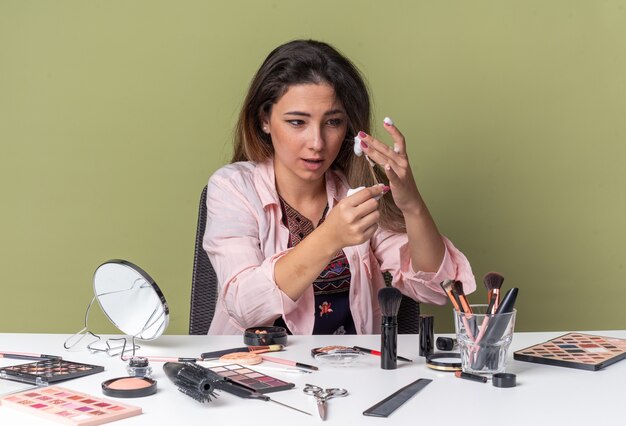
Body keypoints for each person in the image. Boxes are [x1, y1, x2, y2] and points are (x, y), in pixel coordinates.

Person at [203, 39, 475, 335]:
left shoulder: (356, 189)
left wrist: (412, 205)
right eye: (297, 122)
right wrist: (331, 236)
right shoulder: (233, 187)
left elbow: (436, 289)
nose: (317, 143)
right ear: (264, 120)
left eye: (333, 122)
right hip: (258, 370)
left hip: (353, 371)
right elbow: (244, 307)